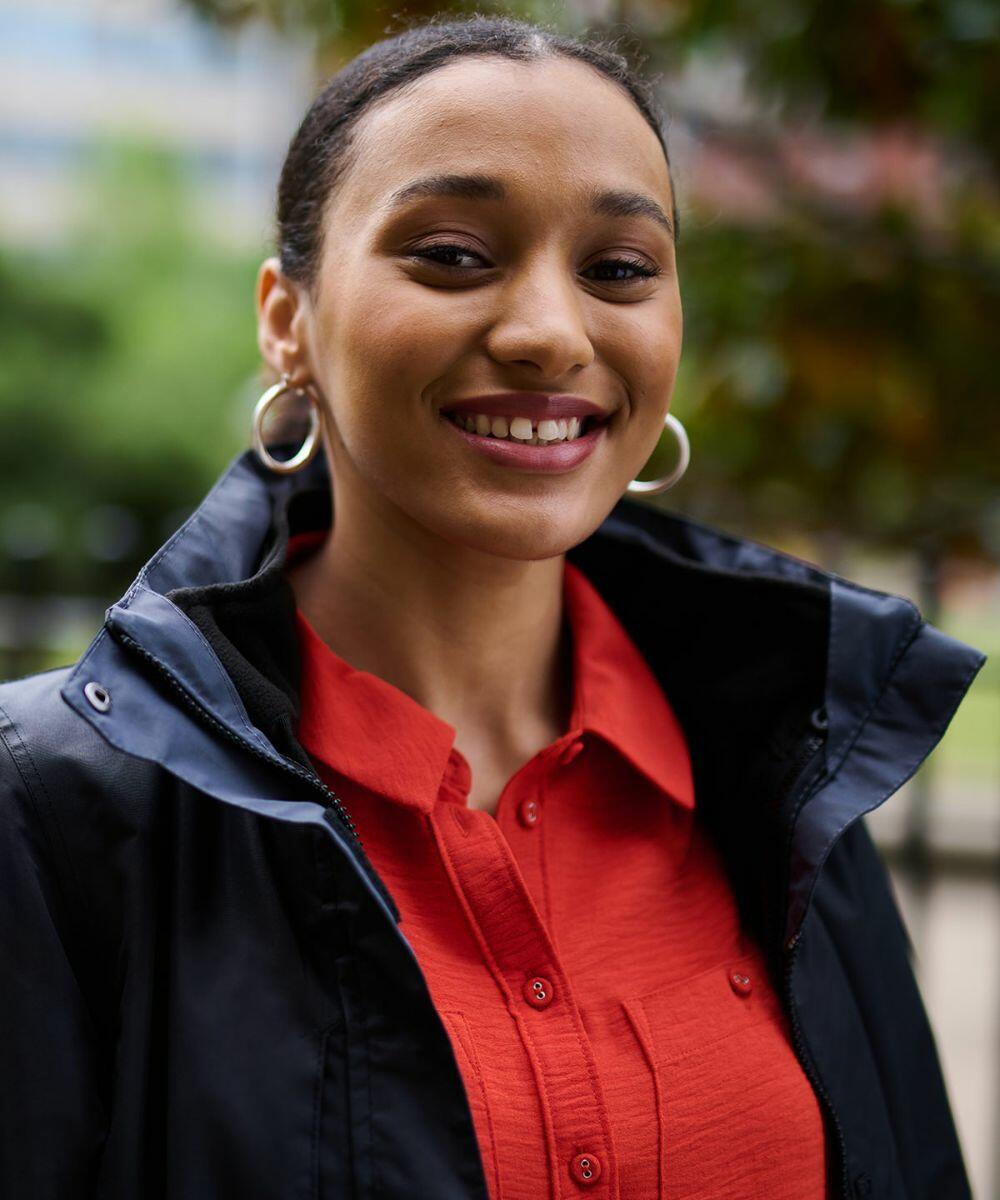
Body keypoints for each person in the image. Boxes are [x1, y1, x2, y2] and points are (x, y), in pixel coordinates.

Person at [0, 14, 986, 1200]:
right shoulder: (54, 805)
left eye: (618, 269)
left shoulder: (788, 774)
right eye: (453, 254)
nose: (547, 334)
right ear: (286, 321)